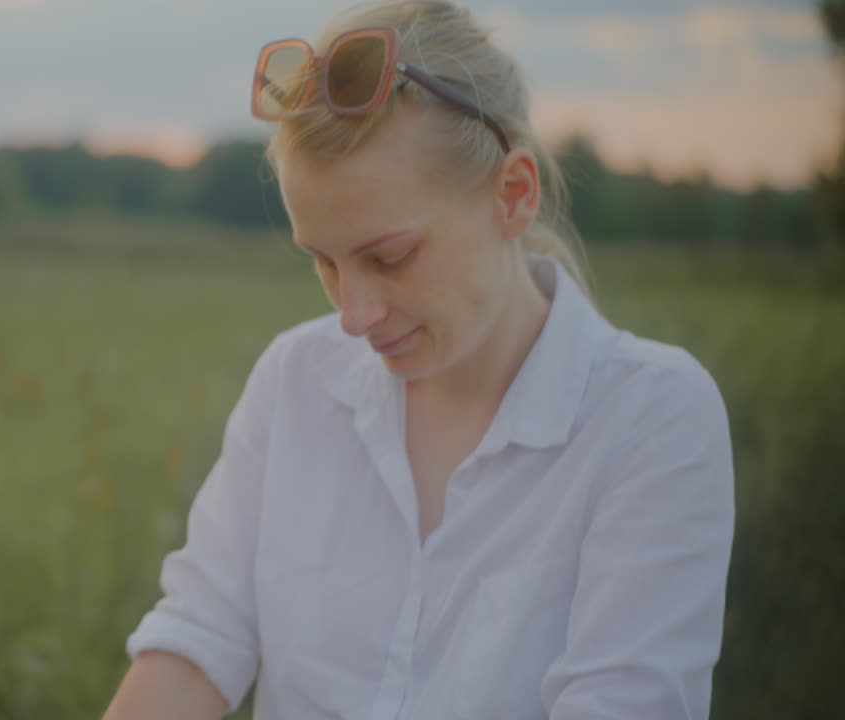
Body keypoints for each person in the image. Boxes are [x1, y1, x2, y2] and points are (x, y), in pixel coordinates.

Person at [102, 1, 735, 718]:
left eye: (390, 256)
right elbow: (193, 648)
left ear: (514, 195)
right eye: (325, 262)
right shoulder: (294, 384)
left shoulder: (649, 419)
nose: (352, 315)